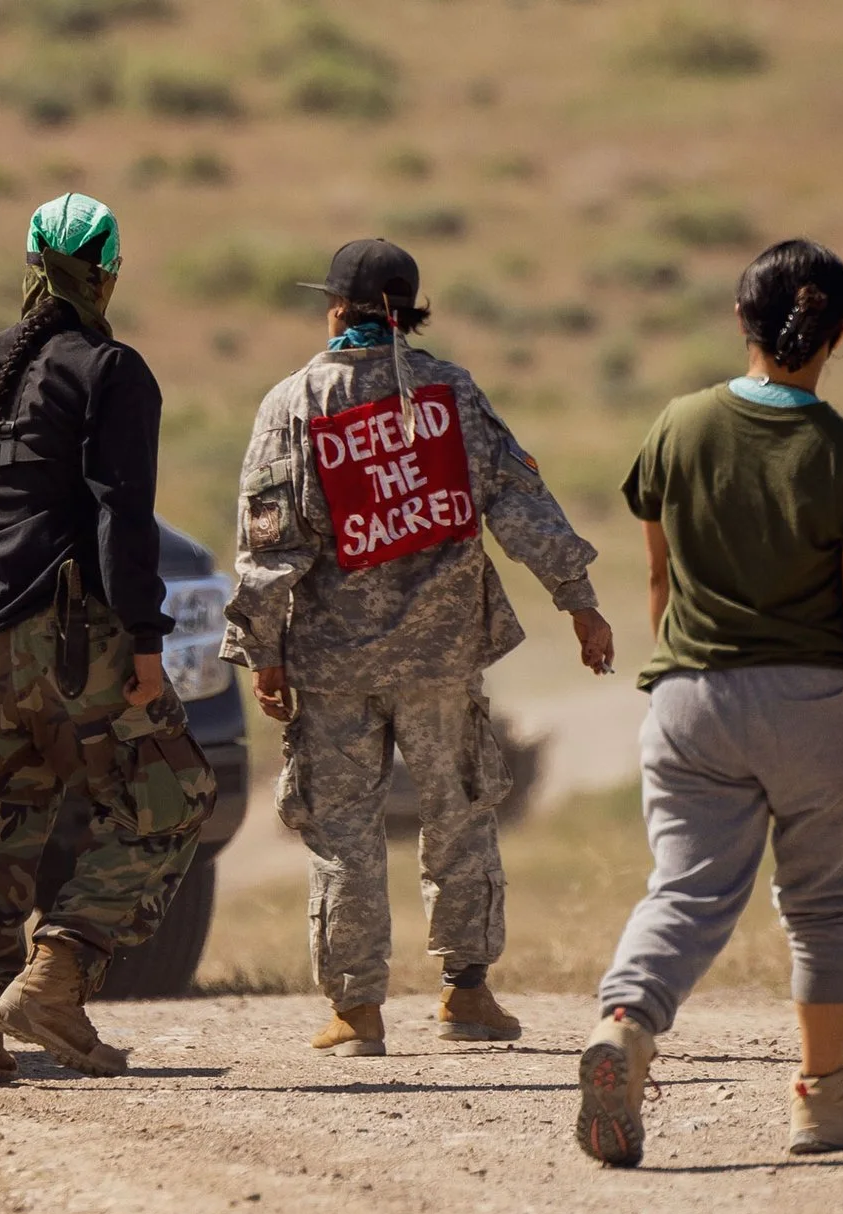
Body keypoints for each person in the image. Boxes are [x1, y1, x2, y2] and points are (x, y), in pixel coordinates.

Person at [576, 238, 843, 1167]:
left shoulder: (678, 426)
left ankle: (625, 1028)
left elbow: (657, 575)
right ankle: (825, 1102)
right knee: (828, 909)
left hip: (690, 696)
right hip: (820, 707)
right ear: (839, 335)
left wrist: (687, 676)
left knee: (685, 891)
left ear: (742, 320)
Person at [222, 238, 612, 1057]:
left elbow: (269, 548)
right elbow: (520, 504)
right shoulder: (452, 393)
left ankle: (357, 1014)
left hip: (333, 667)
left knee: (344, 836)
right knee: (460, 818)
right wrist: (579, 603)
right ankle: (466, 996)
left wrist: (262, 653)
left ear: (336, 309)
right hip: (442, 660)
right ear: (411, 311)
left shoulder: (293, 404)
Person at [0, 192, 215, 1084]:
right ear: (108, 272)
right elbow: (119, 515)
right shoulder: (112, 370)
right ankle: (54, 979)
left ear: (28, 266)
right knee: (170, 796)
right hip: (79, 642)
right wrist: (145, 642)